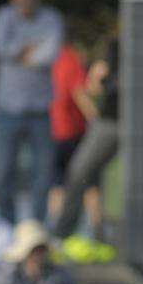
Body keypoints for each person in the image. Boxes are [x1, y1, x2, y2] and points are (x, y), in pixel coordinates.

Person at [0, 0, 62, 224]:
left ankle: (36, 228)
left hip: (40, 111)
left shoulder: (51, 19)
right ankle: (7, 226)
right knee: (3, 173)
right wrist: (28, 48)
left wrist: (18, 52)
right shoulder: (3, 17)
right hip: (7, 109)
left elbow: (48, 55)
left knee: (42, 175)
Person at [52, 36, 119, 261]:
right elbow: (93, 86)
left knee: (86, 177)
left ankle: (86, 235)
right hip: (112, 120)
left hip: (122, 124)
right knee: (83, 174)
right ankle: (69, 235)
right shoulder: (117, 45)